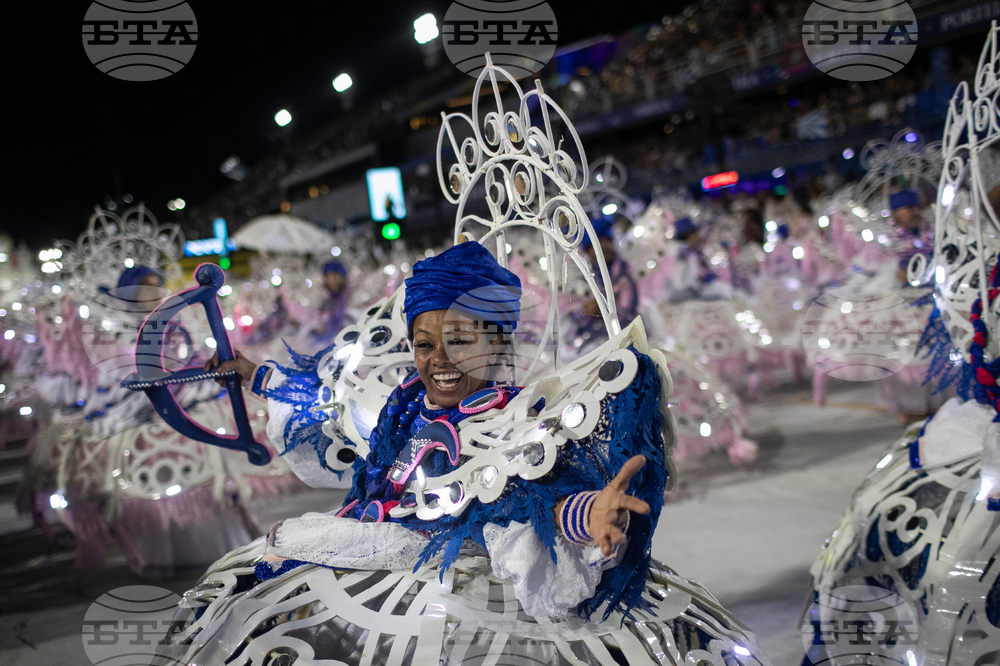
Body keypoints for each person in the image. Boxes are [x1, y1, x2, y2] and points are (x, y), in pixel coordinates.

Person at [165, 241, 767, 664]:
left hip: (459, 586)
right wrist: (256, 375)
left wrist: (590, 516)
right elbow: (334, 401)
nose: (439, 360)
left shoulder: (514, 416)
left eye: (459, 340)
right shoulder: (402, 402)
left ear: (498, 338)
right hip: (369, 553)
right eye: (424, 343)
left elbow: (534, 495)